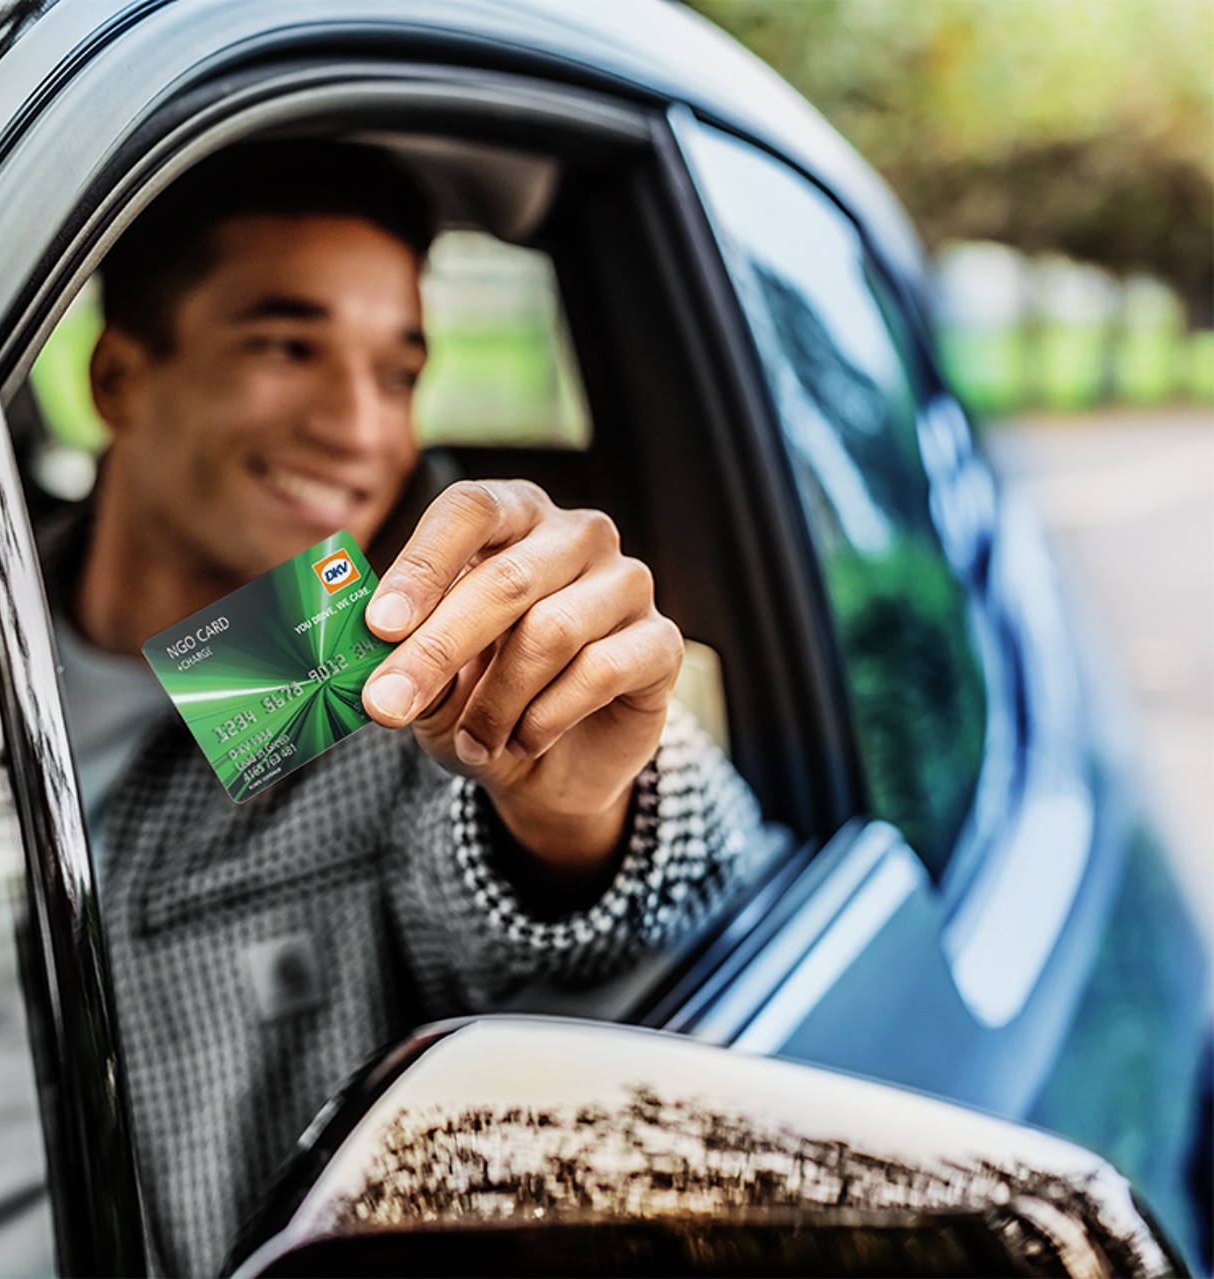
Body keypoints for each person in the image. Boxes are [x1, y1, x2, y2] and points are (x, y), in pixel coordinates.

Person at [43, 139, 764, 1274]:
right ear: (118, 375)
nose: (363, 431)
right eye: (289, 345)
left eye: (396, 374)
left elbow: (674, 880)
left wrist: (572, 817)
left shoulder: (362, 671)